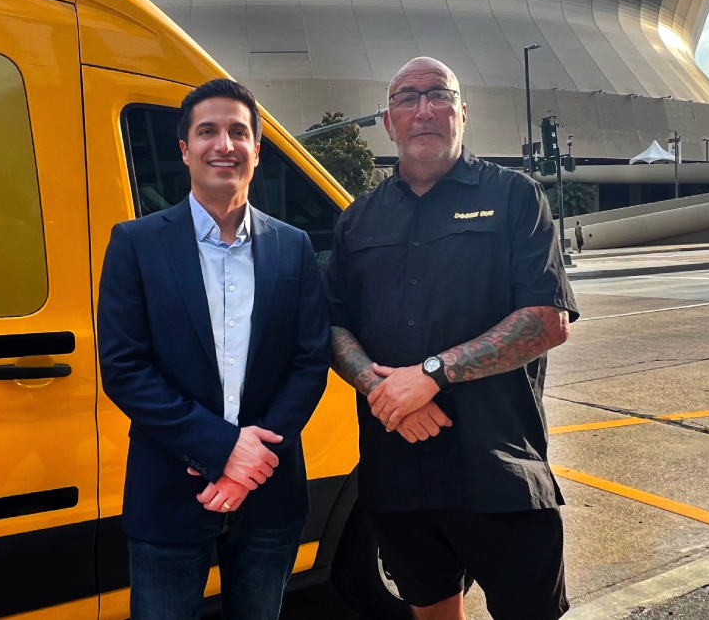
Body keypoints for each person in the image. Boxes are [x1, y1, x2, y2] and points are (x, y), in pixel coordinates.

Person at [324, 57, 579, 620]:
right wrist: (379, 388)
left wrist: (431, 375)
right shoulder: (358, 219)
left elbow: (546, 320)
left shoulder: (514, 197)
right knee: (433, 611)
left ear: (462, 112)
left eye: (439, 95)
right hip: (397, 472)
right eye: (407, 98)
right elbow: (334, 324)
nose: (424, 110)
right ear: (388, 122)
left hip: (498, 467)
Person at [97, 79, 331, 620]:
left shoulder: (292, 247)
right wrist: (222, 449)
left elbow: (309, 361)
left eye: (238, 132)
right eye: (207, 131)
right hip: (168, 490)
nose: (223, 144)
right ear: (185, 150)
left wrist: (251, 461)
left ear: (257, 149)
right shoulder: (135, 243)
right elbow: (124, 367)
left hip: (270, 491)